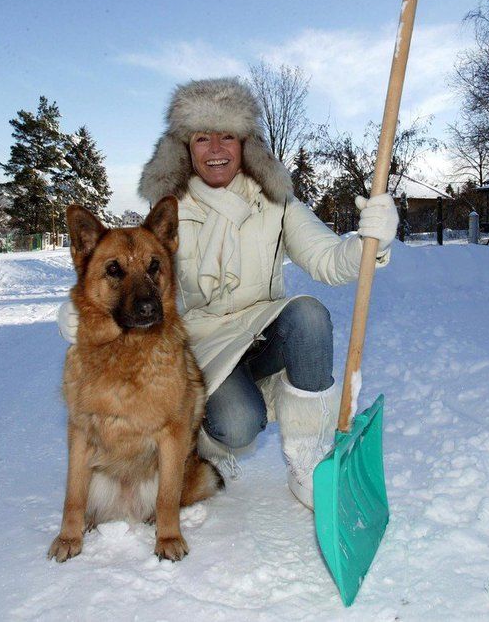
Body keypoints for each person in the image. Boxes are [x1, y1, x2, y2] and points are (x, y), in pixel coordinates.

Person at [59, 78, 398, 509]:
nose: (215, 148)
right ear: (186, 148)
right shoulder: (169, 215)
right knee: (237, 424)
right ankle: (205, 443)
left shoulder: (277, 202)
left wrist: (370, 241)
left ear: (245, 144)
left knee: (310, 315)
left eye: (227, 136)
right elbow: (123, 271)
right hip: (207, 345)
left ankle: (306, 460)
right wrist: (78, 313)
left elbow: (329, 260)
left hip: (263, 328)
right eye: (202, 137)